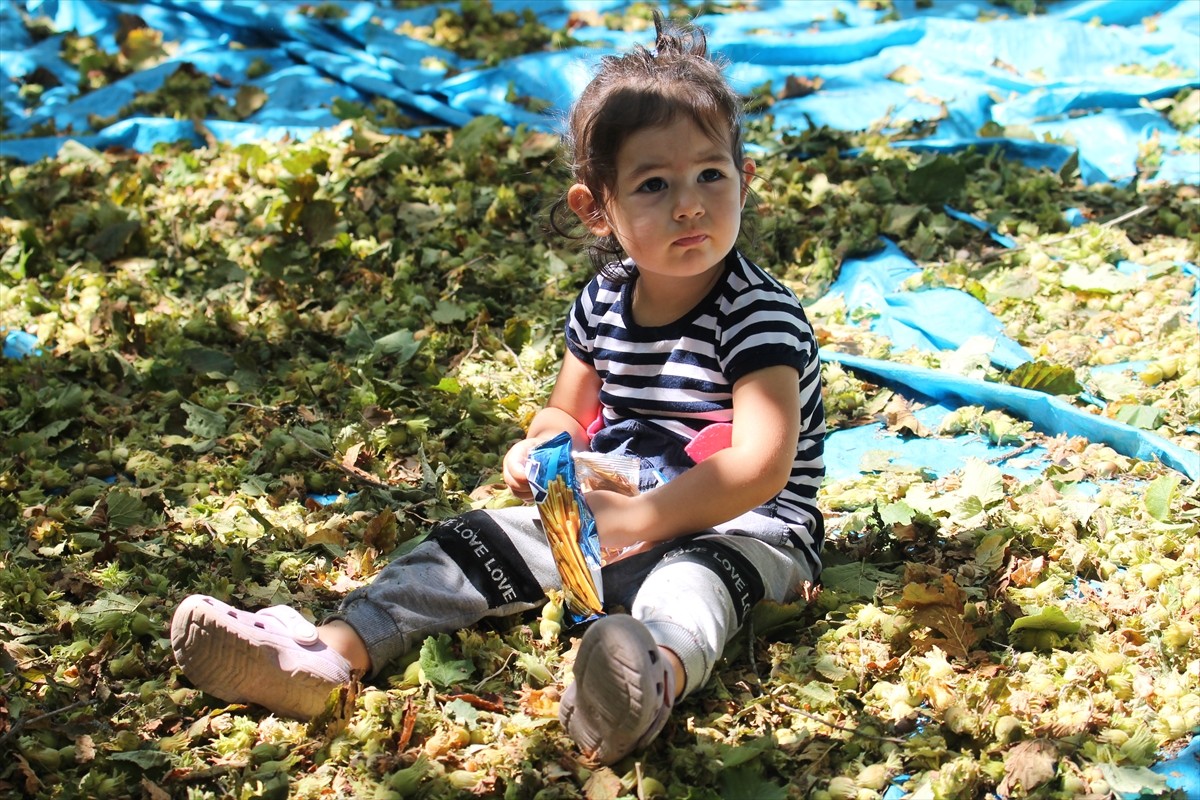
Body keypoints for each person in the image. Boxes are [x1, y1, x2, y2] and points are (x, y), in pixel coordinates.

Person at [170, 11, 825, 766]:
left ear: (745, 180)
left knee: (691, 591)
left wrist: (641, 517)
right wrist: (544, 444)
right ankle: (330, 655)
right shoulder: (606, 301)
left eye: (711, 174)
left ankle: (646, 680)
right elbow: (566, 412)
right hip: (617, 512)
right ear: (596, 209)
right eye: (654, 184)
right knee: (466, 546)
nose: (689, 204)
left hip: (745, 528)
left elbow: (761, 468)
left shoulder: (757, 315)